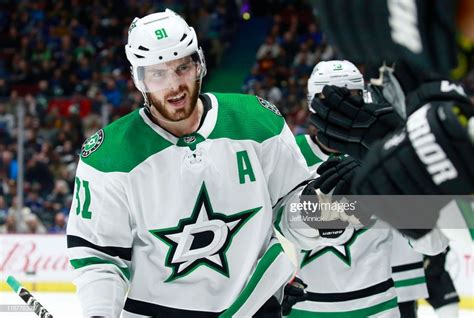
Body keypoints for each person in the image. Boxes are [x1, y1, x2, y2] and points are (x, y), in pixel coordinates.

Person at [66, 9, 324, 318]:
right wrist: (99, 313)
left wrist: (329, 211)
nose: (174, 86)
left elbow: (292, 209)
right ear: (140, 79)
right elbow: (99, 256)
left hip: (252, 306)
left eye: (182, 68)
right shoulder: (108, 157)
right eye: (158, 74)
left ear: (198, 64)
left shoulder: (256, 121)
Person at [281, 60, 447, 318]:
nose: (341, 107)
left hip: (377, 306)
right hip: (304, 307)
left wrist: (395, 170)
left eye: (351, 97)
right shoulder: (286, 153)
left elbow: (433, 242)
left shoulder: (383, 154)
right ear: (312, 102)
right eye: (329, 98)